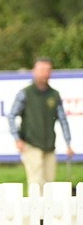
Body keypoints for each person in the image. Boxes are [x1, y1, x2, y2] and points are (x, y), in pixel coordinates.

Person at [7, 56, 74, 190]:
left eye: (47, 70)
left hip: (49, 145)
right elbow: (11, 116)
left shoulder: (54, 95)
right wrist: (17, 139)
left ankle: (46, 211)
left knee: (49, 184)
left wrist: (68, 143)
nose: (45, 73)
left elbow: (62, 120)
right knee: (36, 184)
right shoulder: (25, 94)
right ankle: (35, 210)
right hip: (31, 144)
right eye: (41, 70)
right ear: (34, 71)